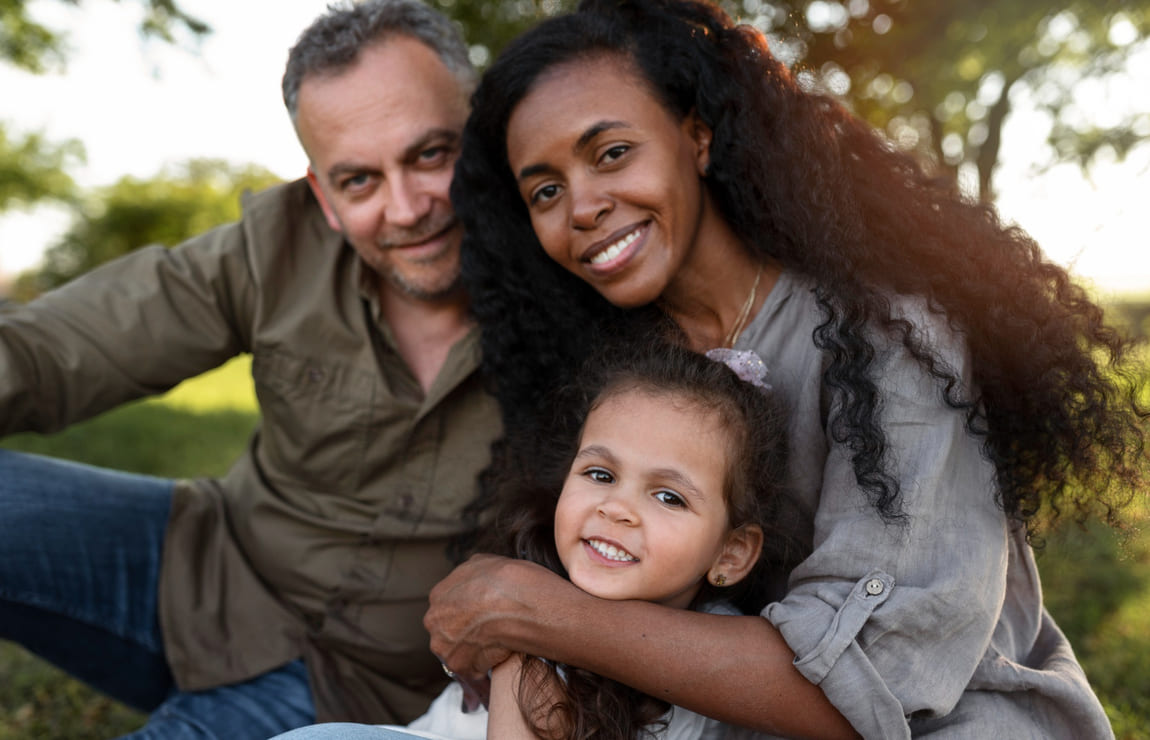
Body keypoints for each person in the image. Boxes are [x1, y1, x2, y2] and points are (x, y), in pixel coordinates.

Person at [421, 0, 1150, 738]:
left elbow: (867, 683)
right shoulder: (626, 370)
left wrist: (540, 613)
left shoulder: (887, 335)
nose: (581, 207)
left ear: (697, 137)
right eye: (545, 191)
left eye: (612, 153)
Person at [0, 1, 501, 738]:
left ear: (484, 132)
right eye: (359, 180)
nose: (405, 208)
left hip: (352, 691)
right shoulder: (276, 249)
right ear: (324, 196)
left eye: (431, 155)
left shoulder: (576, 286)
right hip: (203, 576)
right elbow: (55, 348)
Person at [273, 335, 801, 740]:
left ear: (732, 554)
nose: (616, 508)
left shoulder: (727, 653)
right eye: (600, 474)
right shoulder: (528, 621)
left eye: (668, 497)